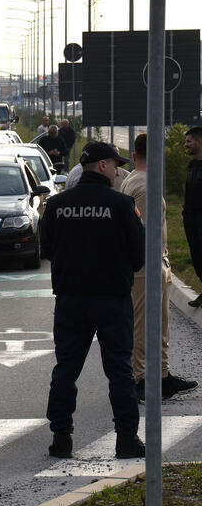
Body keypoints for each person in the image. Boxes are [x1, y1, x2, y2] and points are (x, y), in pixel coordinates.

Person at [40, 141, 146, 459]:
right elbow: (139, 256)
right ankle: (126, 439)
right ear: (102, 166)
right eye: (115, 165)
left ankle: (61, 439)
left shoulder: (57, 206)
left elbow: (47, 250)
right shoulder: (122, 205)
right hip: (112, 300)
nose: (118, 171)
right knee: (119, 371)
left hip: (71, 300)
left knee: (65, 370)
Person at [120, 132, 199, 401]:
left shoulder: (134, 178)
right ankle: (143, 378)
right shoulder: (143, 185)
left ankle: (162, 375)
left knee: (159, 325)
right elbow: (141, 231)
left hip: (153, 263)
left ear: (135, 155)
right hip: (146, 265)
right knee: (144, 325)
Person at [182, 126, 202, 308]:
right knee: (197, 256)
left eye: (189, 141)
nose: (185, 145)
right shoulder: (192, 165)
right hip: (191, 218)